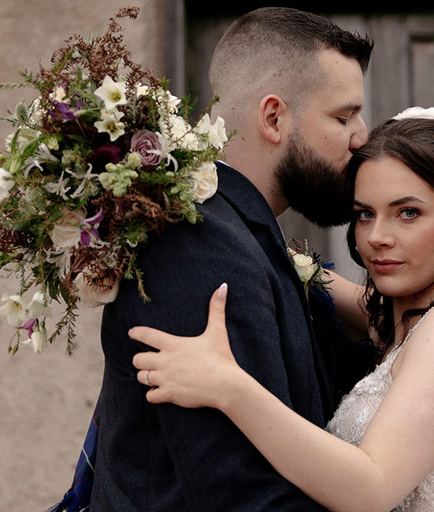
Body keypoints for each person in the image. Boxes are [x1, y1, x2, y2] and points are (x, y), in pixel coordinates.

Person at [130, 108, 434, 511]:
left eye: (408, 212)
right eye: (364, 214)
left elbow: (370, 488)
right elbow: (299, 274)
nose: (377, 238)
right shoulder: (405, 318)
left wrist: (228, 386)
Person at [78, 7, 374, 512]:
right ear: (274, 117)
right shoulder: (196, 246)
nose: (362, 135)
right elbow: (240, 495)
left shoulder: (243, 233)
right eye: (343, 116)